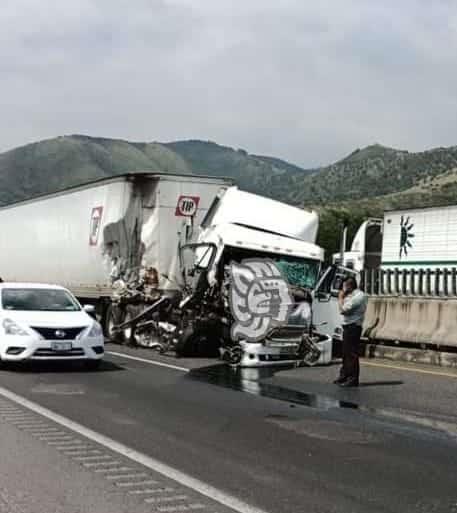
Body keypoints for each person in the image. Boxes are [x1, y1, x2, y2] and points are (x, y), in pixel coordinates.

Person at [334, 276, 367, 387]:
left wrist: (340, 298)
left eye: (344, 285)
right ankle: (344, 375)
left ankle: (353, 379)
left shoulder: (359, 296)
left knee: (351, 354)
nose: (343, 288)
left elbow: (343, 310)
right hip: (347, 327)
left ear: (349, 285)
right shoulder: (350, 295)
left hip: (354, 327)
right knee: (345, 353)